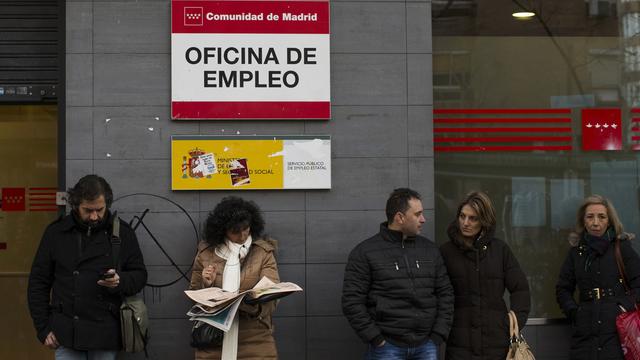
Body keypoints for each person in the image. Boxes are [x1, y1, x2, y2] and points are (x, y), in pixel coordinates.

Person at [27, 174, 147, 359]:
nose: (94, 216)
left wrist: (119, 281)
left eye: (99, 210)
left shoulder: (122, 232)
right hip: (66, 333)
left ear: (107, 204)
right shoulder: (56, 233)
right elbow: (38, 283)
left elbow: (140, 275)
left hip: (105, 332)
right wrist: (43, 328)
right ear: (75, 205)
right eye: (87, 210)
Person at [342, 188, 454, 360]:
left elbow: (446, 294)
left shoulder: (430, 250)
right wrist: (376, 339)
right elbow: (352, 301)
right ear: (400, 218)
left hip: (426, 346)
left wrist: (437, 336)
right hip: (386, 348)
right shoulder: (365, 252)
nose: (423, 219)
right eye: (418, 214)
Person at [439, 191, 531, 360]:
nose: (465, 223)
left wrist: (507, 324)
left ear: (484, 221)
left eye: (473, 218)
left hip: (496, 343)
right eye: (462, 216)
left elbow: (521, 290)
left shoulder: (500, 250)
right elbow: (437, 294)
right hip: (459, 344)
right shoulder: (446, 252)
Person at [189, 196, 279, 360]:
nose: (243, 235)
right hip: (213, 336)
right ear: (223, 230)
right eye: (235, 231)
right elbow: (193, 298)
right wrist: (205, 284)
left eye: (246, 228)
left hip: (254, 336)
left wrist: (249, 303)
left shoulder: (263, 253)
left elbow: (272, 298)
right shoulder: (206, 253)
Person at [556, 194, 640, 359]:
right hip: (585, 331)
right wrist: (574, 312)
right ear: (583, 221)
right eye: (590, 217)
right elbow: (562, 289)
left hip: (618, 331)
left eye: (601, 217)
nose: (595, 222)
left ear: (609, 220)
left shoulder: (622, 248)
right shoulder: (576, 253)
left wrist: (622, 307)